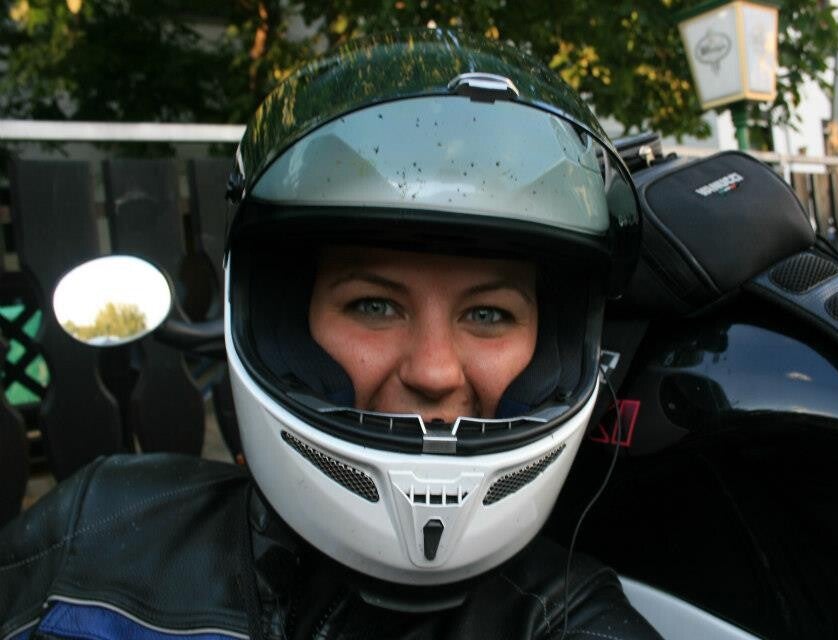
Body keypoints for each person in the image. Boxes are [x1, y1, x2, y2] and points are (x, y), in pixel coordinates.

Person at [0, 29, 661, 639]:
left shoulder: (569, 618)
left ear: (552, 346)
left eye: (488, 315)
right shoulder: (98, 536)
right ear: (285, 323)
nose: (434, 372)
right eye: (374, 305)